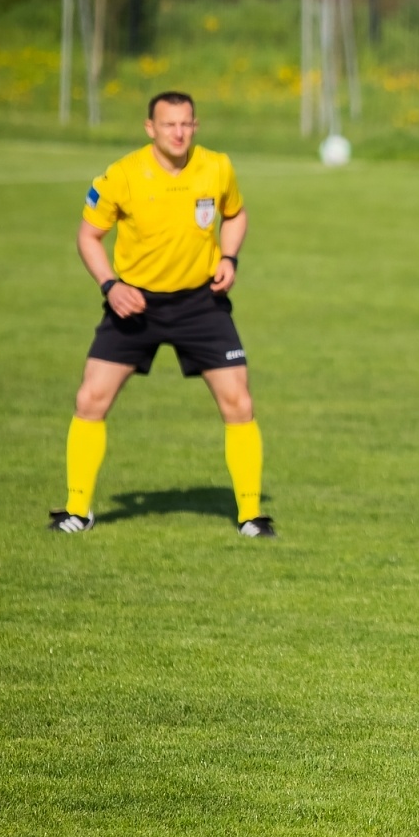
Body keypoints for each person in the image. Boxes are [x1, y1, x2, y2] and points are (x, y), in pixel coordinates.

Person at [49, 91, 274, 539]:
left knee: (239, 401)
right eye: (169, 124)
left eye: (187, 124)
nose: (179, 132)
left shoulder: (216, 167)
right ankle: (78, 510)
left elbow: (236, 214)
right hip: (135, 305)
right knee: (90, 399)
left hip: (200, 303)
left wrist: (229, 258)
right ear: (149, 128)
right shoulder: (123, 175)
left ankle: (251, 515)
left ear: (196, 126)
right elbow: (88, 237)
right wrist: (111, 286)